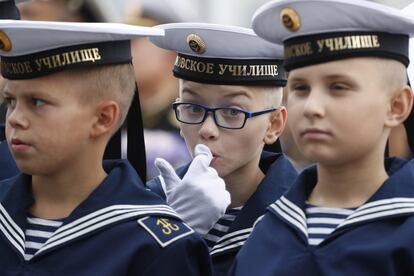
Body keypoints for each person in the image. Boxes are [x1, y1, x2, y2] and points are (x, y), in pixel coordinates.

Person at [0, 20, 212, 275]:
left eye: (38, 102)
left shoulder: (152, 246)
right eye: (11, 101)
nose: (14, 118)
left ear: (103, 118)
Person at [230, 0, 414, 275]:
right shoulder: (265, 228)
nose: (312, 107)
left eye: (339, 87)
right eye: (300, 88)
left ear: (396, 106)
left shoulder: (405, 230)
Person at [147, 23, 298, 275]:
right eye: (193, 108)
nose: (207, 129)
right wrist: (170, 228)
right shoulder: (148, 204)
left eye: (232, 112)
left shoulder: (298, 215)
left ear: (274, 125)